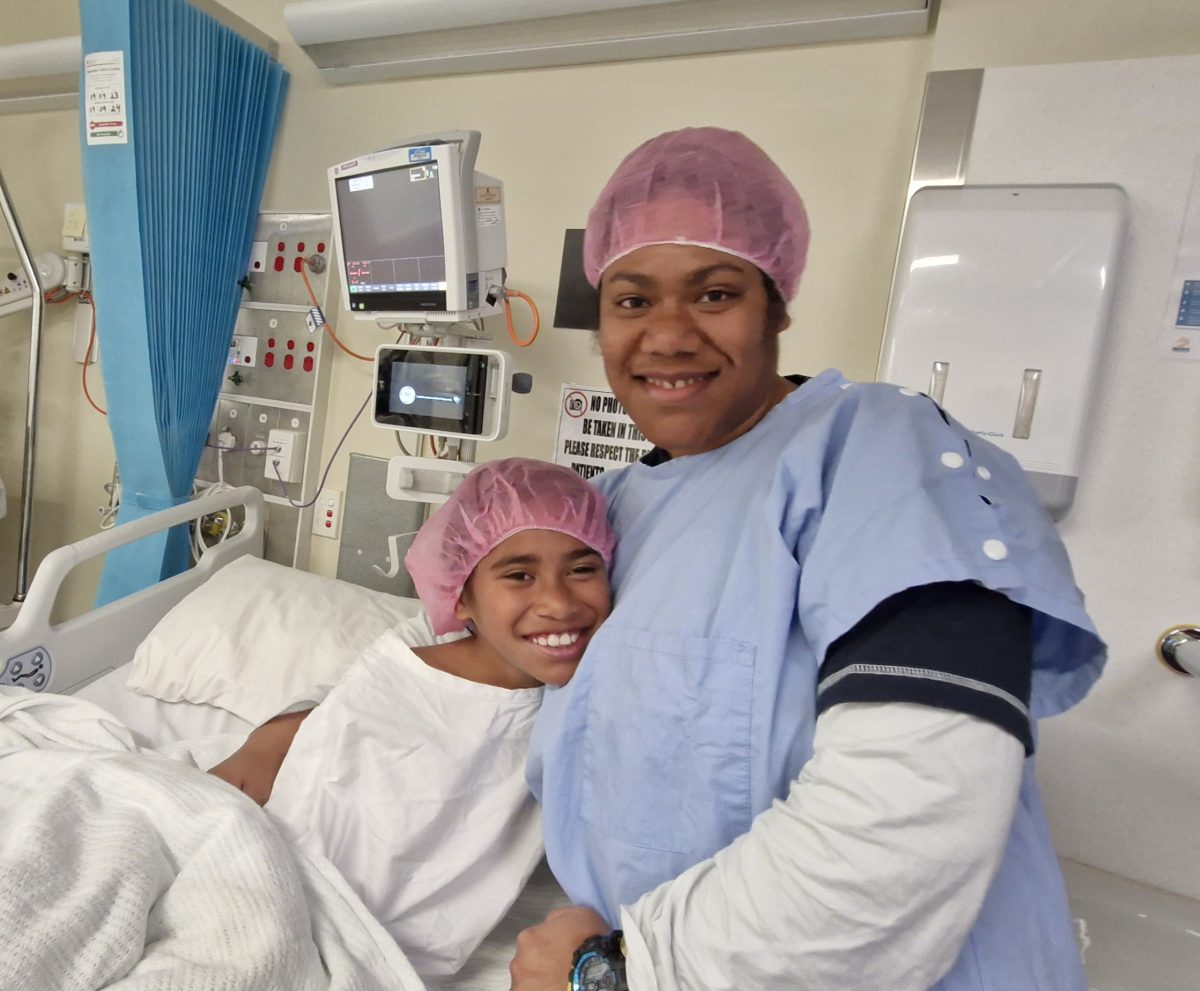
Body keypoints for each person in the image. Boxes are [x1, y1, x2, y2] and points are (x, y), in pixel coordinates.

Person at [512, 128, 1104, 991]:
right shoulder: (611, 507)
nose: (667, 337)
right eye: (632, 302)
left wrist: (617, 970)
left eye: (714, 294)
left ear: (778, 305)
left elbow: (907, 822)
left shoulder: (879, 454)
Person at [208, 456, 615, 977]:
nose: (557, 602)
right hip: (277, 899)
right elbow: (324, 815)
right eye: (519, 575)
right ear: (460, 598)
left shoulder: (581, 699)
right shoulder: (402, 678)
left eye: (582, 569)